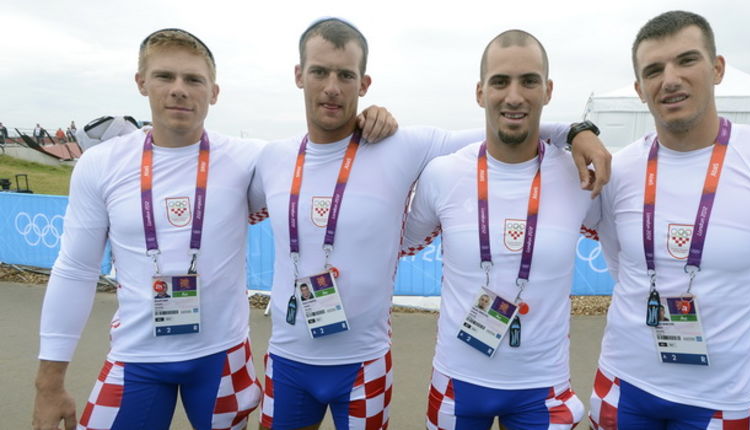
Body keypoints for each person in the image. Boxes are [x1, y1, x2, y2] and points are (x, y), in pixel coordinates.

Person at [250, 18, 609, 430]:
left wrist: (577, 131)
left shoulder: (405, 146)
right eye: (319, 71)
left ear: (364, 83)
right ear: (299, 75)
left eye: (345, 74)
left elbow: (505, 126)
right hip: (288, 357)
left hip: (365, 364)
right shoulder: (269, 158)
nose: (332, 86)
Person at [32, 28, 395, 430]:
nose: (179, 91)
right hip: (136, 357)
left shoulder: (252, 159)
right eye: (165, 77)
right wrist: (49, 384)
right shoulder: (101, 164)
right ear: (141, 83)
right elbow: (75, 271)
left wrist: (368, 118)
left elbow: (325, 157)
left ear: (214, 91)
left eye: (193, 80)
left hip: (221, 358)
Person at [585, 11, 750, 430]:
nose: (670, 79)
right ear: (639, 89)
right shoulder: (622, 169)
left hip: (719, 398)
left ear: (717, 68)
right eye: (654, 70)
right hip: (622, 384)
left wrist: (737, 341)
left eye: (686, 60)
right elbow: (623, 265)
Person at [401, 29, 591, 430]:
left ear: (548, 90)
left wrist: (580, 131)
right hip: (458, 380)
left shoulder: (579, 175)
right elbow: (399, 243)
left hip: (544, 386)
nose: (515, 95)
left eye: (529, 81)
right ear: (480, 92)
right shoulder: (444, 173)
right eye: (500, 82)